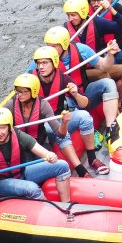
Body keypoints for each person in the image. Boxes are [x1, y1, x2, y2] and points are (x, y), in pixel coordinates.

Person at [0, 108, 71, 201]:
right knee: (32, 188)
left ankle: (66, 206)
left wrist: (50, 155)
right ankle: (51, 213)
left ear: (9, 127)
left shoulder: (19, 136)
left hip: (21, 174)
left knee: (62, 166)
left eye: (2, 128)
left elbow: (42, 151)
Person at [0, 72, 93, 179]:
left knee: (53, 167)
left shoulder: (43, 105)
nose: (19, 95)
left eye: (23, 92)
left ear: (33, 91)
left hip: (40, 145)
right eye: (17, 91)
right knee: (26, 172)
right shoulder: (11, 104)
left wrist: (65, 122)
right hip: (21, 148)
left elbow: (60, 133)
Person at [29, 46, 107, 176]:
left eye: (44, 63)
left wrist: (76, 94)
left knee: (85, 116)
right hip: (42, 126)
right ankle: (81, 169)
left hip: (59, 118)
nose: (40, 67)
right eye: (38, 63)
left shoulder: (63, 78)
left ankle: (92, 159)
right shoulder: (31, 80)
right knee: (60, 130)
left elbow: (85, 104)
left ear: (54, 63)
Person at [42, 25, 122, 141]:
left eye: (53, 46)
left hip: (83, 94)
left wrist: (110, 54)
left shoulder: (81, 49)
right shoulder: (43, 59)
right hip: (63, 103)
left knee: (109, 83)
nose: (49, 50)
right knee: (68, 102)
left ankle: (110, 129)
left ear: (64, 44)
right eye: (48, 46)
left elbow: (104, 66)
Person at [63, 0, 122, 106]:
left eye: (73, 15)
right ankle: (114, 109)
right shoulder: (64, 31)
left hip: (97, 64)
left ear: (82, 13)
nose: (70, 19)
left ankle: (119, 102)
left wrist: (111, 9)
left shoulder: (96, 22)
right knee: (104, 74)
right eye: (68, 15)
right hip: (80, 72)